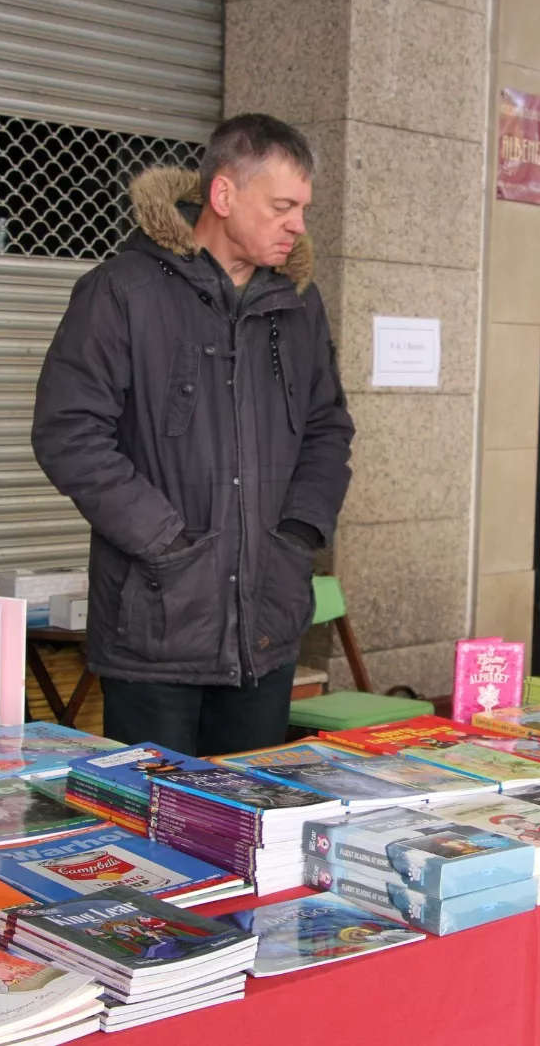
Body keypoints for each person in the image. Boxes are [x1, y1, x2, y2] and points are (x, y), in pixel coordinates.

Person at [32, 113, 354, 756]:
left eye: (303, 209)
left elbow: (327, 428)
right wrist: (166, 540)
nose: (298, 225)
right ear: (225, 195)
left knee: (249, 818)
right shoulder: (121, 291)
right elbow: (68, 432)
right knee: (156, 833)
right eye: (283, 206)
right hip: (157, 623)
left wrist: (297, 535)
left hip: (266, 623)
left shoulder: (298, 305)